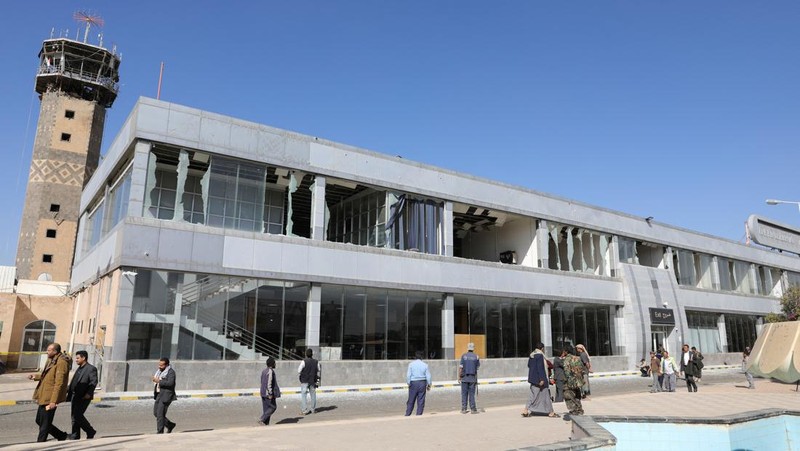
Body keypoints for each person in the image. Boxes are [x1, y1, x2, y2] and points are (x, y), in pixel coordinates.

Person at [29, 342, 70, 442]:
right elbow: (47, 375)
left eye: (49, 350)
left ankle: (40, 443)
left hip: (50, 397)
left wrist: (53, 401)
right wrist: (36, 377)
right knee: (39, 420)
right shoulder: (51, 360)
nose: (47, 352)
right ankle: (61, 435)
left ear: (55, 351)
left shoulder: (61, 362)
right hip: (44, 395)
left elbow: (59, 383)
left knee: (45, 423)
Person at [522, 343, 559, 418]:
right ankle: (551, 412)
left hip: (533, 379)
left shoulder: (532, 355)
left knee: (534, 395)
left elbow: (529, 365)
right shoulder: (540, 355)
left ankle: (526, 410)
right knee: (545, 395)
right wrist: (542, 379)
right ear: (542, 348)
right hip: (540, 380)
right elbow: (540, 368)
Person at [67, 350, 97, 440]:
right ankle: (75, 434)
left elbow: (93, 382)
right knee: (74, 416)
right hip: (74, 395)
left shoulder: (91, 368)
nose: (76, 360)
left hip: (84, 396)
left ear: (84, 358)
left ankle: (90, 431)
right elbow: (74, 382)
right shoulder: (79, 368)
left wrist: (89, 393)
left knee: (77, 415)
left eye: (78, 358)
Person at [152, 357, 177, 434]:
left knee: (160, 414)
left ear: (166, 365)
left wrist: (159, 381)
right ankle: (170, 425)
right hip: (159, 394)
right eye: (159, 365)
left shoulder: (171, 372)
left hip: (166, 395)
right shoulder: (159, 371)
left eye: (161, 365)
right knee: (156, 413)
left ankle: (160, 431)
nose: (159, 367)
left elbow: (170, 383)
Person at [405, 350, 432, 416]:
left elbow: (408, 375)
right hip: (422, 383)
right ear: (421, 357)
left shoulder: (411, 364)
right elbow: (428, 376)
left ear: (415, 357)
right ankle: (419, 414)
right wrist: (429, 385)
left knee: (411, 399)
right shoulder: (425, 365)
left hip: (413, 383)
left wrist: (408, 383)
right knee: (421, 400)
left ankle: (408, 414)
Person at [562, 346, 585, 418]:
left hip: (570, 381)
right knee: (577, 394)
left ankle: (574, 410)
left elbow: (567, 372)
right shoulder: (577, 358)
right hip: (578, 380)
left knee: (568, 395)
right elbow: (582, 369)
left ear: (566, 352)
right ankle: (579, 409)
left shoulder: (566, 359)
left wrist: (567, 380)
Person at [297, 349, 321, 415]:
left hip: (304, 380)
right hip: (312, 381)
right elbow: (319, 369)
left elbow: (299, 371)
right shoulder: (316, 362)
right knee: (313, 395)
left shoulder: (303, 361)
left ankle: (304, 410)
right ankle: (313, 409)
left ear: (306, 354)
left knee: (304, 396)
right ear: (312, 354)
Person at [459, 342, 480, 414]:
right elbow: (477, 368)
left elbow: (461, 368)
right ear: (473, 348)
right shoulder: (476, 356)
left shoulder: (463, 356)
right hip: (472, 378)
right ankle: (473, 409)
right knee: (472, 394)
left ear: (468, 348)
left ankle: (464, 409)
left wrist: (459, 377)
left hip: (464, 378)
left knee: (464, 394)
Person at [258, 357, 280, 425]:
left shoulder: (264, 371)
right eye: (274, 363)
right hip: (268, 393)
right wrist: (270, 393)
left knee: (266, 409)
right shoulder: (270, 372)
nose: (275, 364)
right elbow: (269, 383)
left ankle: (265, 424)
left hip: (263, 392)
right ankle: (262, 419)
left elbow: (262, 381)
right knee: (273, 407)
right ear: (272, 364)